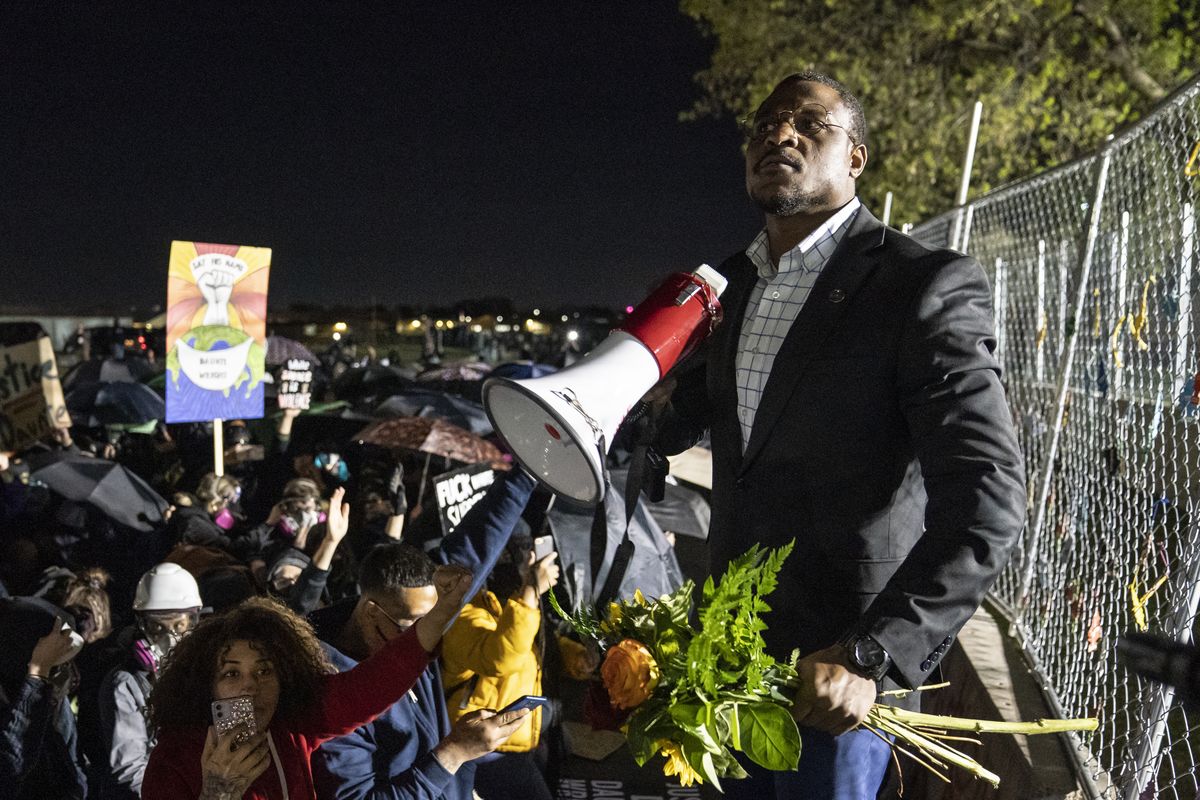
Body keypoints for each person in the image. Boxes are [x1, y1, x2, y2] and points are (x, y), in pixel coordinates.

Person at [653, 70, 1026, 799]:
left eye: (807, 123)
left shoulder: (922, 287)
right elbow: (684, 416)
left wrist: (872, 654)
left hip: (834, 690)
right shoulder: (728, 283)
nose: (778, 135)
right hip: (723, 669)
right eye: (764, 124)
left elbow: (988, 499)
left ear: (855, 156)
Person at [140, 568, 516, 800]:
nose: (250, 687)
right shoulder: (173, 758)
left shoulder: (295, 725)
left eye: (265, 671)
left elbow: (376, 682)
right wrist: (217, 793)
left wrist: (445, 609)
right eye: (231, 673)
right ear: (206, 683)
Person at [310, 469, 540, 800]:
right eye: (414, 626)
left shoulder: (421, 612)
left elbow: (477, 543)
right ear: (372, 610)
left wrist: (529, 472)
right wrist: (455, 753)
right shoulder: (330, 691)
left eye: (434, 619)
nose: (427, 635)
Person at [441, 534, 561, 800]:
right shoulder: (463, 614)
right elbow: (501, 658)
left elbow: (532, 648)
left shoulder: (506, 605)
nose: (526, 562)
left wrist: (577, 657)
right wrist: (530, 591)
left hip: (517, 742)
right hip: (484, 750)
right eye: (517, 555)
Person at [98, 563, 203, 799]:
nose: (171, 638)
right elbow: (131, 769)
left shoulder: (215, 669)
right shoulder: (126, 684)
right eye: (157, 627)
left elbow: (237, 738)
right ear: (142, 625)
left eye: (179, 625)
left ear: (195, 621)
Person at [0, 597, 87, 800]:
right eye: (57, 666)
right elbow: (10, 766)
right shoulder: (22, 695)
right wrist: (38, 676)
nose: (69, 675)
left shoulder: (51, 695)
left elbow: (72, 764)